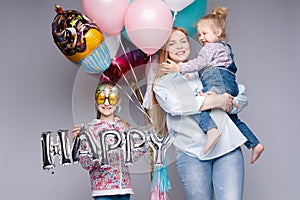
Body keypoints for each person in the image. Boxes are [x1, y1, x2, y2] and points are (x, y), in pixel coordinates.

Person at [149, 26, 250, 200]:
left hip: (227, 148)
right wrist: (218, 100)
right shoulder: (162, 83)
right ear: (164, 49)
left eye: (183, 41)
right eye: (172, 43)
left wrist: (229, 103)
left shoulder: (204, 68)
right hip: (191, 154)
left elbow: (240, 95)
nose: (179, 46)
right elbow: (178, 106)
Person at [161, 7, 264, 162]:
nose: (201, 38)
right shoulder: (223, 47)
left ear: (217, 33)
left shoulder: (209, 49)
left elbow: (200, 63)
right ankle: (254, 143)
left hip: (218, 80)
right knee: (234, 120)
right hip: (227, 81)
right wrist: (220, 100)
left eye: (205, 33)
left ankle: (211, 129)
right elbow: (178, 106)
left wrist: (179, 68)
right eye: (200, 34)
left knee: (202, 101)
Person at [72, 81, 146, 200]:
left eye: (111, 98)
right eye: (102, 98)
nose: (106, 103)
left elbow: (133, 155)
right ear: (95, 101)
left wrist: (144, 142)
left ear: (118, 102)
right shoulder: (89, 129)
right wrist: (80, 144)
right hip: (102, 191)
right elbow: (87, 165)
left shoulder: (123, 127)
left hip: (124, 189)